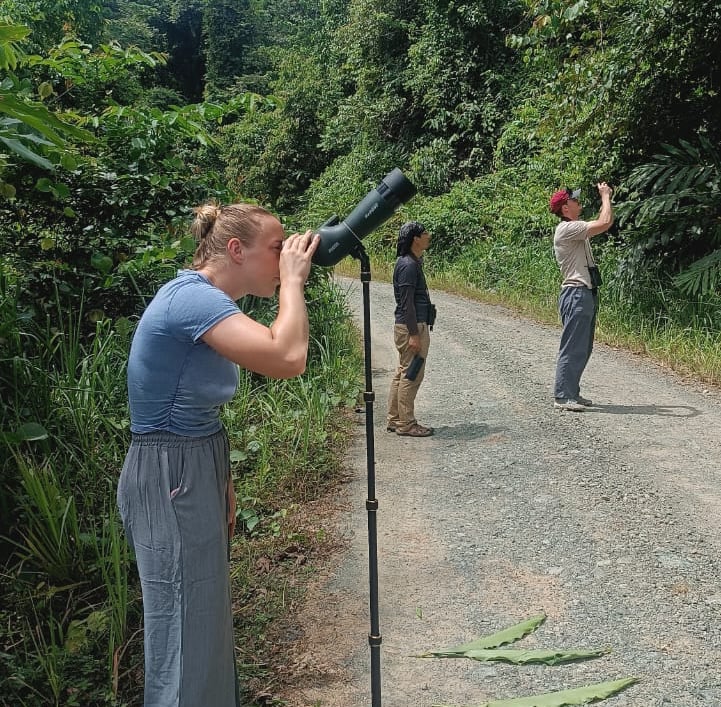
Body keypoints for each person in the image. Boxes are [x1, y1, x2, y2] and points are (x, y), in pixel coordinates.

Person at [117, 202, 319, 707]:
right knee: (182, 625)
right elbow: (287, 357)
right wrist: (293, 284)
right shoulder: (190, 300)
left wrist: (220, 477)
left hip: (193, 465)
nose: (285, 258)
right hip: (169, 474)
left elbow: (197, 407)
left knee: (202, 622)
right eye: (277, 248)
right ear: (235, 250)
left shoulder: (210, 303)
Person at [550, 182, 613, 411]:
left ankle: (572, 392)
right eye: (574, 200)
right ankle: (563, 395)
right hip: (576, 293)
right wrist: (606, 196)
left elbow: (600, 222)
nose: (578, 202)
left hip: (583, 292)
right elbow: (605, 222)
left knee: (583, 347)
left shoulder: (575, 228)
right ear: (565, 208)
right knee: (573, 346)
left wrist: (605, 201)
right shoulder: (567, 229)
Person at [386, 221, 434, 437]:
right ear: (415, 239)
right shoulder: (408, 266)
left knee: (403, 371)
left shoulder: (411, 262)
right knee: (412, 374)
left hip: (409, 325)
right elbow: (407, 304)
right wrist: (414, 334)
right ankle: (406, 424)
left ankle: (395, 419)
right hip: (411, 327)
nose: (428, 236)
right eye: (424, 233)